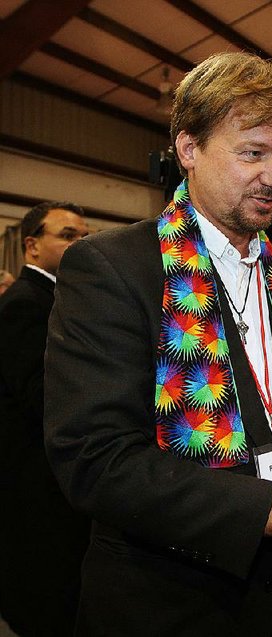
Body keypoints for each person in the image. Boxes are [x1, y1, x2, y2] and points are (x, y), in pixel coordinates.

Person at [43, 52, 272, 637]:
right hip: (167, 600)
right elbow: (95, 459)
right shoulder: (115, 267)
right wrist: (268, 509)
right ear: (189, 149)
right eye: (252, 154)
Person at [0, 201, 90, 635]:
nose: (80, 243)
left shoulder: (57, 297)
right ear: (32, 245)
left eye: (84, 235)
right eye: (68, 235)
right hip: (33, 472)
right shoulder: (26, 302)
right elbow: (41, 393)